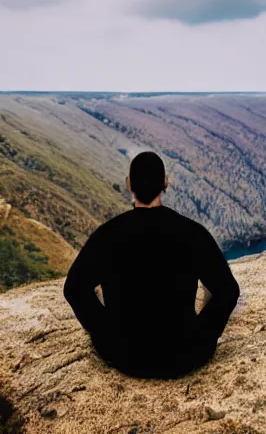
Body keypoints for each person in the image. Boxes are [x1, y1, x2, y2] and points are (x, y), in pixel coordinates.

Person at [63, 151, 240, 379]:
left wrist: (106, 333)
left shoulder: (108, 235)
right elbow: (228, 291)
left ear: (129, 185)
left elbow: (74, 289)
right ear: (165, 183)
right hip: (182, 357)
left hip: (125, 357)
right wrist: (201, 334)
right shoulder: (192, 233)